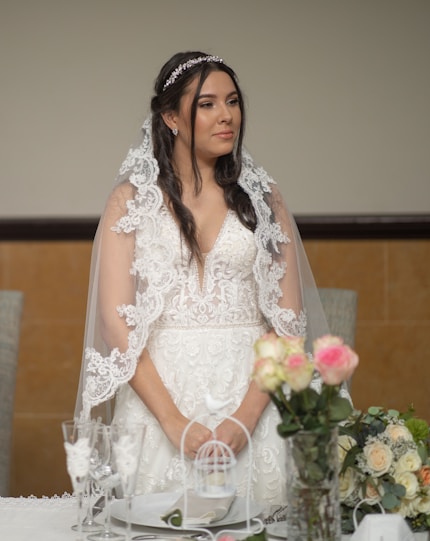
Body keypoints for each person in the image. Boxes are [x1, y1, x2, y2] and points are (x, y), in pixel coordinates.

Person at [74, 52, 333, 504]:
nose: (227, 115)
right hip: (161, 400)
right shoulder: (130, 201)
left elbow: (288, 323)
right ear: (171, 116)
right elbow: (117, 326)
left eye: (232, 101)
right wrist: (175, 423)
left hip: (254, 393)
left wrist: (243, 419)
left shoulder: (265, 199)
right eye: (208, 104)